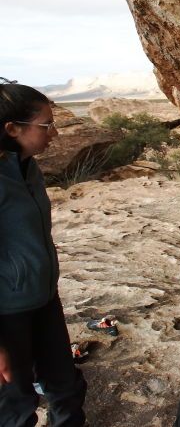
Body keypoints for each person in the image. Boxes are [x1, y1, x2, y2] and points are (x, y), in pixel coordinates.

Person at [0, 78, 87, 426]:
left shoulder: (28, 168)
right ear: (12, 128)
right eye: (46, 125)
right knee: (15, 405)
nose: (54, 133)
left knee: (66, 387)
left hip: (43, 298)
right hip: (7, 313)